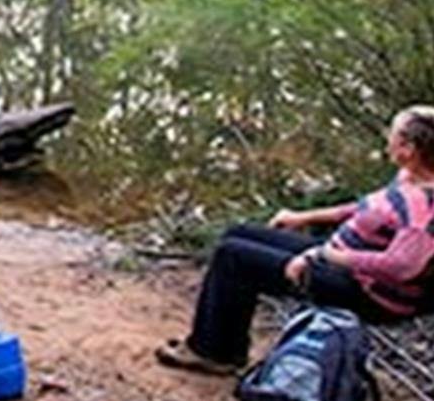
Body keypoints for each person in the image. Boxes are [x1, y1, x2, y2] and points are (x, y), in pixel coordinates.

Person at [156, 105, 434, 375]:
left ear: (408, 150)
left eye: (393, 135)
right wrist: (304, 217)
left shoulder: (424, 207)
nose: (387, 140)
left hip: (370, 294)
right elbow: (368, 208)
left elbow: (402, 267)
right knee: (238, 234)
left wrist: (325, 256)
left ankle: (214, 354)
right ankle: (222, 344)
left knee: (233, 256)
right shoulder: (410, 177)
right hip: (342, 263)